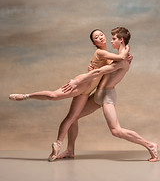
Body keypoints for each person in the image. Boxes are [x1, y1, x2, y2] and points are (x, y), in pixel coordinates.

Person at [9, 29, 130, 161]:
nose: (100, 37)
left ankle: (61, 145)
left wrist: (126, 57)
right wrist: (127, 48)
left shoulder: (108, 56)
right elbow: (121, 58)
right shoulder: (100, 52)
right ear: (93, 42)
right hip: (82, 84)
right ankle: (26, 96)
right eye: (96, 37)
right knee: (53, 96)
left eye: (101, 34)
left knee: (72, 117)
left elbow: (114, 67)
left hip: (87, 91)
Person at [55, 27, 158, 162]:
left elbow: (99, 72)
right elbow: (99, 69)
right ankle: (70, 150)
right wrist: (91, 68)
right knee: (73, 118)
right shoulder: (118, 57)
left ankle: (150, 145)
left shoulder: (123, 60)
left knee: (116, 131)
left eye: (114, 38)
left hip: (107, 96)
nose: (111, 41)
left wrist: (77, 81)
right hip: (99, 94)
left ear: (121, 40)